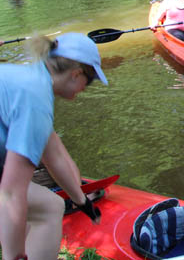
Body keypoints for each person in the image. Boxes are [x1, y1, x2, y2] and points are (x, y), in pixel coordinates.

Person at [0, 33, 106, 259]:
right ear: (76, 74)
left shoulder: (30, 79)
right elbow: (9, 194)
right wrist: (15, 255)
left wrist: (83, 202)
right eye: (90, 80)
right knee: (50, 208)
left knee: (37, 210)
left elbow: (55, 157)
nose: (86, 89)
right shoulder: (35, 99)